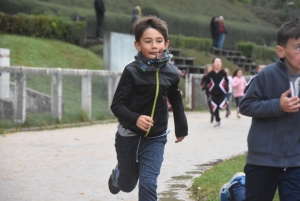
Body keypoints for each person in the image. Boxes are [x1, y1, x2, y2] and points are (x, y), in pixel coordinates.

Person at [108, 15, 188, 201]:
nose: (154, 46)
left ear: (166, 43)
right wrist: (135, 118)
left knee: (148, 183)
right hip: (129, 134)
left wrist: (181, 128)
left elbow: (175, 98)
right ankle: (118, 174)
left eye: (159, 41)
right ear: (138, 45)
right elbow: (116, 105)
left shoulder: (171, 72)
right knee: (127, 185)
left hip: (156, 136)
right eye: (148, 41)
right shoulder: (131, 71)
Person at [219, 17, 300, 201]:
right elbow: (245, 105)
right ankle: (237, 187)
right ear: (281, 51)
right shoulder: (266, 75)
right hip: (263, 161)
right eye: (298, 47)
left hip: (296, 162)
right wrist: (278, 105)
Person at [207, 58, 228, 127]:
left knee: (221, 106)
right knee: (215, 107)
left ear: (221, 64)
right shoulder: (211, 73)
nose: (218, 63)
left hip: (221, 92)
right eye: (216, 62)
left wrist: (227, 87)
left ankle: (225, 103)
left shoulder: (223, 72)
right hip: (213, 93)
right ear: (213, 64)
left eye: (219, 61)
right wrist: (205, 86)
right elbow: (206, 81)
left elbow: (226, 81)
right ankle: (218, 120)